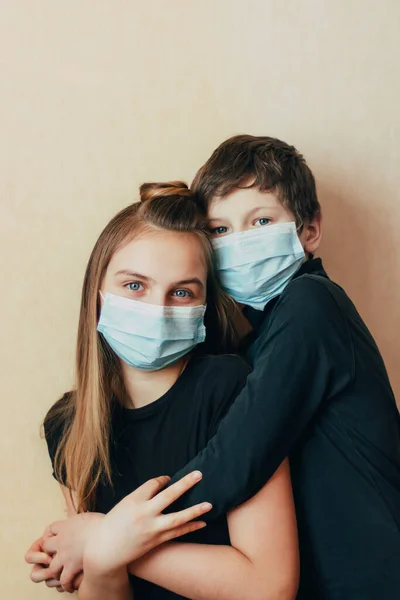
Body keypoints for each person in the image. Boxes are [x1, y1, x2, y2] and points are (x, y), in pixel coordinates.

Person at [25, 181, 299, 599]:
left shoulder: (230, 389)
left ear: (205, 307)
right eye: (134, 285)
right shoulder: (68, 424)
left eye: (183, 291)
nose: (158, 309)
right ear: (96, 295)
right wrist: (102, 555)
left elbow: (268, 587)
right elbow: (100, 580)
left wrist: (104, 541)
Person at [162, 135, 400, 599]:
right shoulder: (255, 336)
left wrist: (117, 534)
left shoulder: (311, 305)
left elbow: (236, 460)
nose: (240, 243)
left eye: (262, 220)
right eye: (220, 231)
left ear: (309, 230)